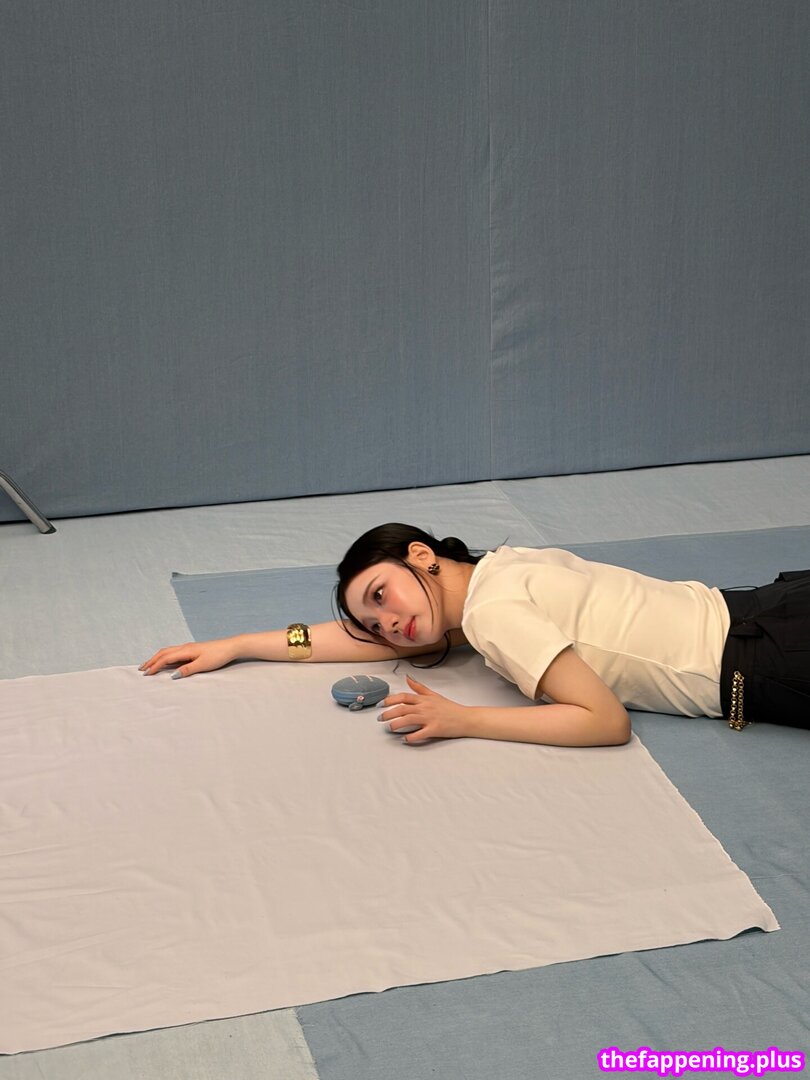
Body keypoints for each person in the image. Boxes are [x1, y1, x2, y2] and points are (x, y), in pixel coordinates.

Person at [140, 523, 810, 747]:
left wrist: (462, 719)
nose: (386, 625)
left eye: (382, 596)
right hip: (758, 605)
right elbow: (343, 638)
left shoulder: (491, 616)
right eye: (375, 621)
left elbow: (605, 722)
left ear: (420, 556)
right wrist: (239, 644)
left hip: (768, 656)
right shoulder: (493, 571)